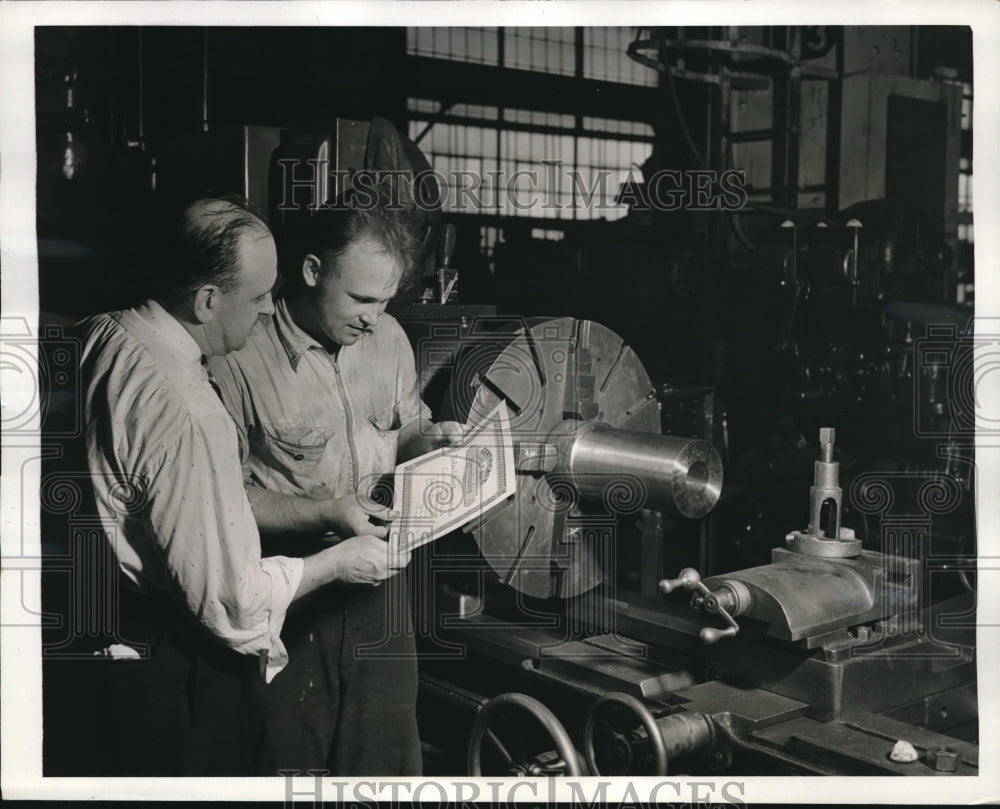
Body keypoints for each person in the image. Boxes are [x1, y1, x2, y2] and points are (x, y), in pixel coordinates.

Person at [79, 195, 408, 776]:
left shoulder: (106, 334)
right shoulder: (193, 406)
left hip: (120, 624)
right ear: (207, 300)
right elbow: (233, 602)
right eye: (259, 299)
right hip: (185, 634)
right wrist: (333, 562)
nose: (266, 312)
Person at [209, 187, 462, 776]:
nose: (375, 318)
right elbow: (222, 502)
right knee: (289, 764)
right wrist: (327, 514)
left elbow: (406, 430)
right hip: (292, 593)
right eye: (362, 299)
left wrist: (435, 442)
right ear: (312, 270)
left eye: (387, 299)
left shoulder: (390, 340)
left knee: (389, 762)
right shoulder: (239, 352)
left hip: (379, 589)